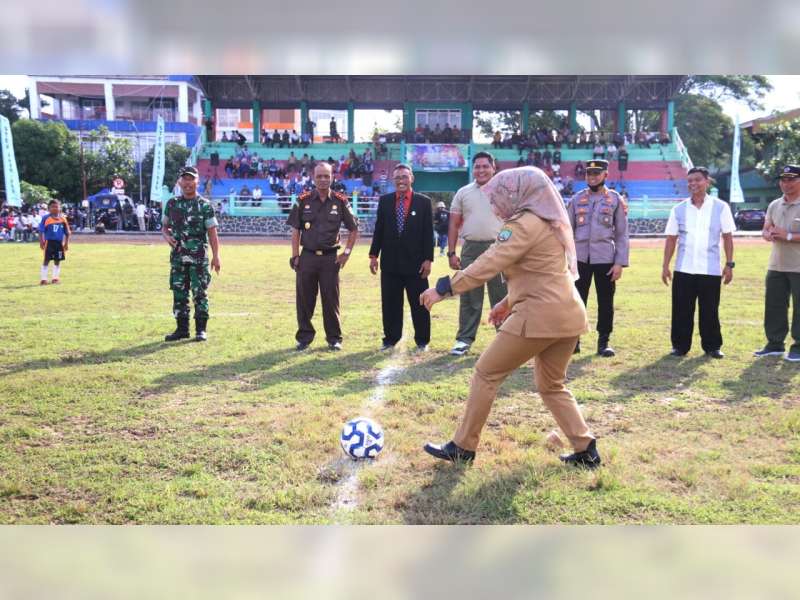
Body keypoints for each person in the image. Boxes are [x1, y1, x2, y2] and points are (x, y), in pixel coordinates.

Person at [419, 167, 600, 468]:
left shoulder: (522, 224)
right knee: (552, 384)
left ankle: (463, 446)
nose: (497, 199)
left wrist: (446, 287)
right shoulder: (548, 222)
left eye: (503, 193)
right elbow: (541, 273)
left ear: (520, 193)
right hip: (567, 316)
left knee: (486, 373)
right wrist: (506, 301)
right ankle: (585, 448)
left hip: (538, 316)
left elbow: (491, 261)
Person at [662, 166, 734, 358]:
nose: (693, 184)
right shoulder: (679, 209)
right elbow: (671, 239)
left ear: (707, 182)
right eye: (690, 181)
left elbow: (727, 237)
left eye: (697, 180)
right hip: (683, 269)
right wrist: (665, 266)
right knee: (681, 310)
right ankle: (680, 346)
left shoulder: (721, 207)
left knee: (709, 310)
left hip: (710, 270)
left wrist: (729, 264)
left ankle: (712, 346)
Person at [287, 162, 359, 351]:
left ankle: (334, 338)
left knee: (331, 299)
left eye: (326, 176)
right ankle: (304, 337)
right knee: (304, 300)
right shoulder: (303, 200)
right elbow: (296, 230)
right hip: (307, 257)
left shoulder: (340, 201)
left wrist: (347, 253)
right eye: (319, 176)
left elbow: (353, 229)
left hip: (330, 259)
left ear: (332, 177)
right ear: (313, 177)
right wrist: (295, 256)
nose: (323, 179)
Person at [447, 151, 508, 356]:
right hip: (471, 249)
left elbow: (514, 222)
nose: (481, 170)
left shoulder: (504, 191)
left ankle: (505, 340)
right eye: (477, 166)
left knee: (501, 296)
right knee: (469, 295)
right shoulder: (463, 192)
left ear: (493, 168)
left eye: (485, 166)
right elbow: (454, 224)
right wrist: (451, 252)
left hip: (498, 249)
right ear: (473, 169)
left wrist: (507, 243)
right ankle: (464, 339)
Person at [566, 159, 629, 356]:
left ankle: (603, 342)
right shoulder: (576, 200)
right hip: (580, 259)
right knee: (576, 301)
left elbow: (621, 233)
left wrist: (619, 262)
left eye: (596, 173)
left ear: (605, 175)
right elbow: (567, 231)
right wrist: (567, 261)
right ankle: (573, 341)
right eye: (589, 174)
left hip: (605, 259)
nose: (592, 177)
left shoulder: (615, 200)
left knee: (605, 301)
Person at [369, 164, 434, 351]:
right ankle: (390, 339)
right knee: (390, 304)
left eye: (404, 177)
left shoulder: (423, 202)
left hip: (416, 265)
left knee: (420, 303)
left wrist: (428, 259)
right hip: (390, 264)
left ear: (411, 178)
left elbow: (428, 233)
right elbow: (379, 230)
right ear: (393, 180)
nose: (400, 181)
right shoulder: (385, 201)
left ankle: (422, 340)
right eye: (397, 177)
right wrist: (374, 255)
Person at [161, 166, 222, 342]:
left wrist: (216, 256)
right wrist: (166, 236)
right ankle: (182, 329)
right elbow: (164, 227)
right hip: (178, 256)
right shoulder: (172, 204)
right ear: (179, 182)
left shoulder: (205, 205)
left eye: (191, 179)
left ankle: (201, 330)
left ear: (197, 182)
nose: (188, 183)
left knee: (199, 292)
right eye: (184, 179)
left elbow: (212, 232)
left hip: (198, 257)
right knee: (179, 292)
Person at [755, 164, 800, 361]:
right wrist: (768, 234)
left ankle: (798, 346)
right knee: (774, 305)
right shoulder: (774, 204)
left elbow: (787, 234)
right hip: (776, 264)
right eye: (783, 180)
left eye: (791, 179)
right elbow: (766, 228)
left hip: (798, 265)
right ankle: (774, 343)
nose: (786, 184)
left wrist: (788, 235)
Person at [38, 199, 71, 285]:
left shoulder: (63, 219)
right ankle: (43, 279)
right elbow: (41, 231)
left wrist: (66, 243)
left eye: (57, 206)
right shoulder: (46, 218)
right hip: (49, 242)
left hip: (59, 243)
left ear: (60, 208)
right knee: (46, 260)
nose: (55, 208)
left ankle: (55, 278)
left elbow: (67, 232)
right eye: (53, 207)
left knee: (57, 260)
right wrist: (41, 241)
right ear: (49, 208)